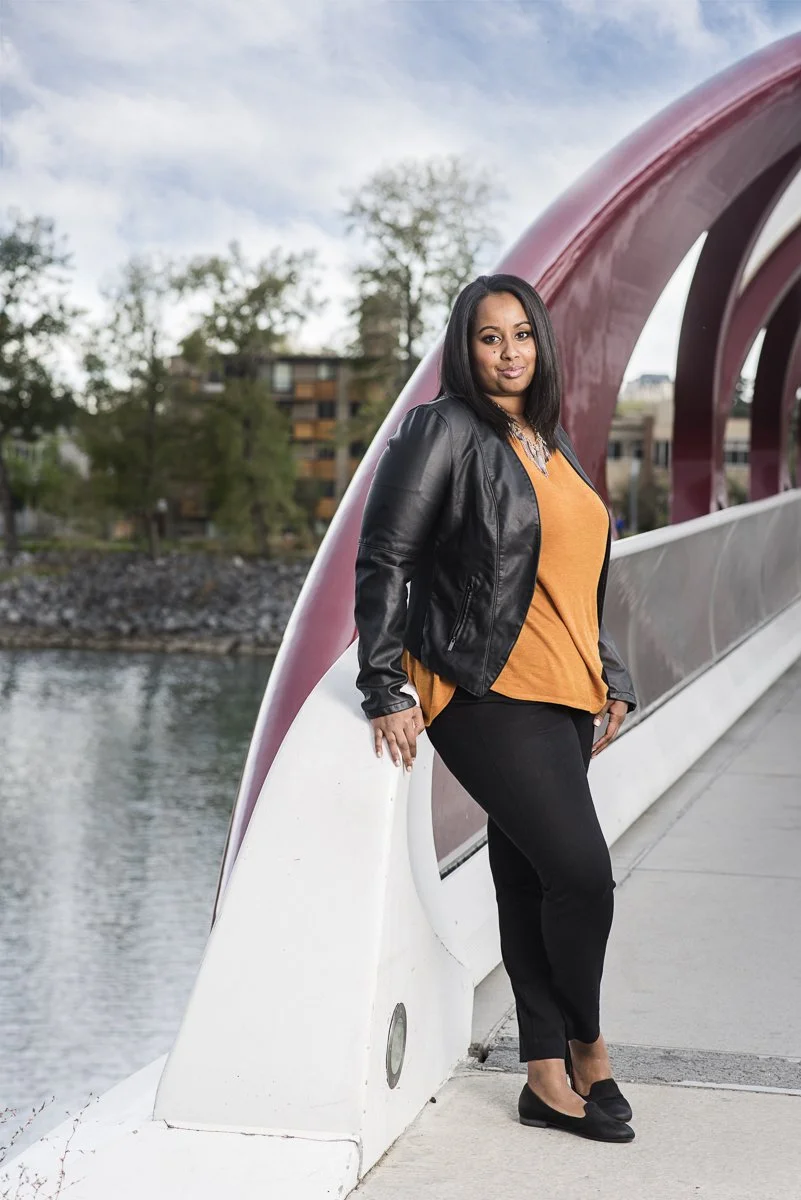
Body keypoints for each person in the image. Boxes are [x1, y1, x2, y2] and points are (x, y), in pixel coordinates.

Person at [354, 273, 637, 1145]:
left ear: (540, 347)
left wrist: (609, 671)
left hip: (563, 692)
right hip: (483, 688)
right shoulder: (442, 429)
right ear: (464, 347)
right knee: (582, 876)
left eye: (522, 335)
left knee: (527, 882)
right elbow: (384, 557)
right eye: (489, 337)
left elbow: (575, 580)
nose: (508, 352)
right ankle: (588, 1046)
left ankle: (541, 1076)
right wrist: (383, 684)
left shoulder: (550, 441)